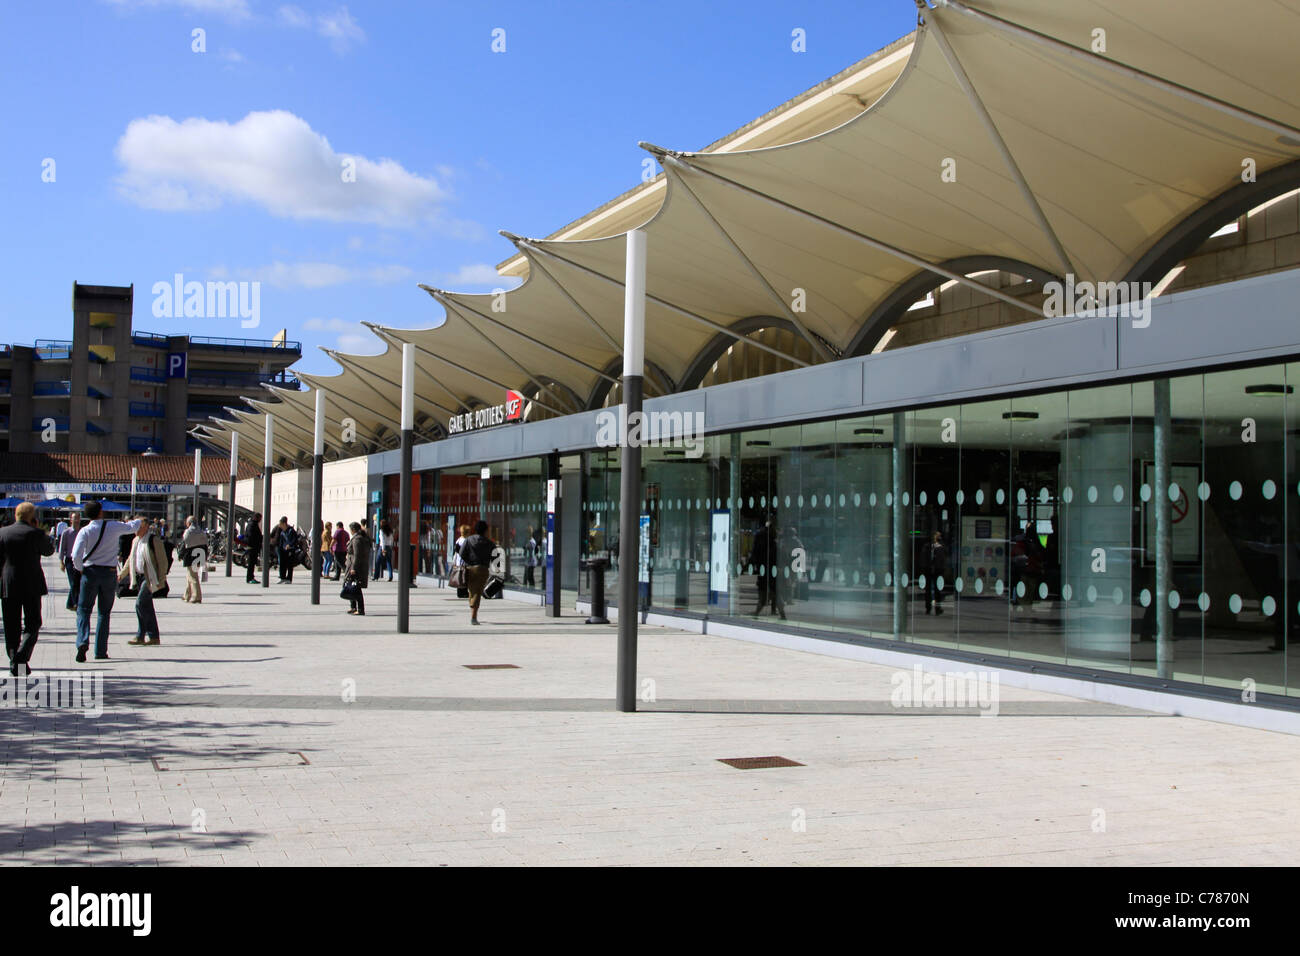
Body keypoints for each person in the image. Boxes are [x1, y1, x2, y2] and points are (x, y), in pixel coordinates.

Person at [70, 501, 144, 662]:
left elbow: (75, 554)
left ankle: (82, 641)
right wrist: (139, 520)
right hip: (109, 573)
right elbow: (132, 527)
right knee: (104, 613)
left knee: (84, 609)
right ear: (101, 512)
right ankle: (100, 650)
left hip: (90, 572)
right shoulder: (112, 527)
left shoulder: (85, 531)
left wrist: (80, 568)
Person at [0, 501, 55, 676]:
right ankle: (21, 658)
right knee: (33, 623)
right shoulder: (36, 533)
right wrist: (39, 530)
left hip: (8, 583)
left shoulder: (3, 533)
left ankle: (15, 663)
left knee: (11, 626)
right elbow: (49, 551)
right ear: (33, 518)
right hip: (31, 584)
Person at [123, 518, 168, 646]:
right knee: (146, 606)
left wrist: (161, 579)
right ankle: (150, 637)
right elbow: (130, 560)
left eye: (138, 526)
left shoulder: (154, 540)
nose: (135, 529)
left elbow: (163, 561)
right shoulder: (135, 541)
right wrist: (121, 575)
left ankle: (142, 634)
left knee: (140, 604)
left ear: (146, 527)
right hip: (138, 577)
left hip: (150, 578)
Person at [747, 513, 786, 620]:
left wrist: (752, 564)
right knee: (775, 592)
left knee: (764, 592)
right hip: (772, 569)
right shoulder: (773, 541)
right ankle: (781, 614)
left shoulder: (761, 537)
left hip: (764, 568)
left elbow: (755, 553)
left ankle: (757, 612)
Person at [458, 520, 496, 625]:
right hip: (483, 569)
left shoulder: (469, 540)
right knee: (477, 591)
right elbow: (495, 556)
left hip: (470, 568)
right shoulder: (489, 543)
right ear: (485, 530)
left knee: (473, 591)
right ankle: (473, 616)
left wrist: (469, 561)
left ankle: (473, 613)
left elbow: (461, 553)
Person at [180, 515, 209, 604]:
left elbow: (184, 544)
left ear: (189, 523)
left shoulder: (188, 532)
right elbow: (206, 544)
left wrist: (180, 555)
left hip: (191, 555)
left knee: (192, 576)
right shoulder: (201, 531)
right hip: (200, 554)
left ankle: (197, 596)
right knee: (191, 575)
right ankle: (187, 595)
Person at [343, 521, 370, 615]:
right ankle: (353, 607)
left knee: (355, 587)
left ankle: (360, 609)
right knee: (351, 586)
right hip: (353, 565)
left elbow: (357, 555)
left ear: (353, 529)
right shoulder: (358, 538)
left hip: (355, 566)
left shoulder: (357, 539)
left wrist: (354, 568)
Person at [57, 511, 82, 611]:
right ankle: (76, 603)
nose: (76, 520)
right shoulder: (66, 532)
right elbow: (62, 548)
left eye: (77, 518)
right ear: (70, 520)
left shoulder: (82, 532)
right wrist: (61, 561)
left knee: (77, 582)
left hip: (80, 560)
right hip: (69, 560)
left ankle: (69, 604)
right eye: (74, 518)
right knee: (73, 582)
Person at [924, 530, 946, 616]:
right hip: (936, 570)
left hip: (932, 570)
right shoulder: (939, 547)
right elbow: (943, 559)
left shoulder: (928, 546)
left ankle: (930, 608)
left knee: (931, 590)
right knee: (936, 590)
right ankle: (935, 608)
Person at [274, 516, 298, 583]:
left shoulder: (291, 531)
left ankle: (289, 579)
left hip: (290, 550)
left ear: (284, 524)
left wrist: (290, 545)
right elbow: (281, 542)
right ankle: (282, 577)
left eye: (281, 524)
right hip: (283, 550)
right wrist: (280, 548)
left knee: (290, 565)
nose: (279, 526)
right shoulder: (282, 532)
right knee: (282, 564)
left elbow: (295, 540)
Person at [244, 513, 263, 584]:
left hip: (252, 546)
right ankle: (250, 578)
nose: (260, 520)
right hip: (252, 547)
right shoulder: (252, 525)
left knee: (252, 563)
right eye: (260, 518)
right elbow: (253, 536)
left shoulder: (251, 524)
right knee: (251, 563)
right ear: (256, 518)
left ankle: (251, 577)